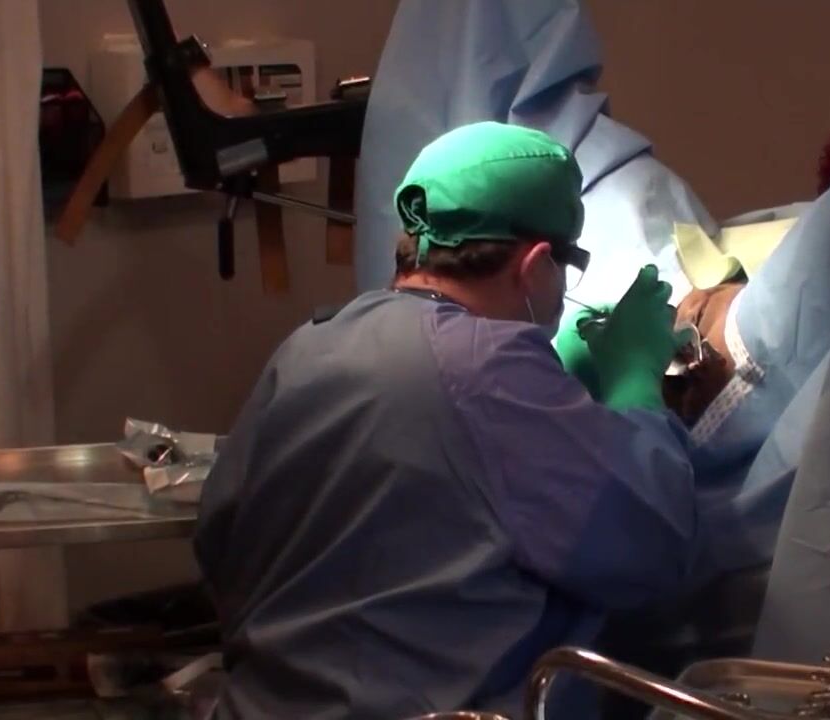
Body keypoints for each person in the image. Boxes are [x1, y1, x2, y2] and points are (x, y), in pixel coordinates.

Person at [193, 121, 700, 719]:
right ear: (536, 264)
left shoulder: (311, 343)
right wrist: (635, 382)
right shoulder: (490, 372)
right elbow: (649, 541)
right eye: (571, 264)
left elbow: (219, 536)